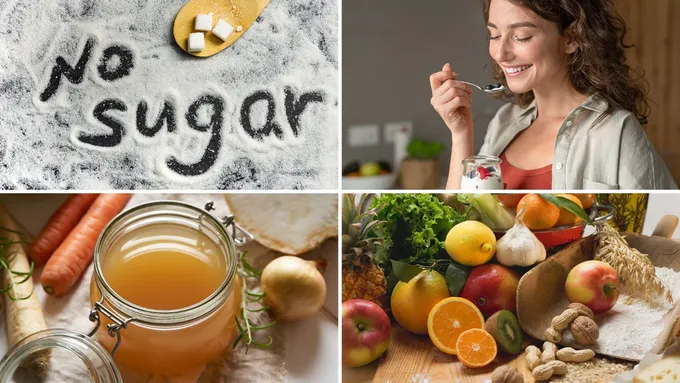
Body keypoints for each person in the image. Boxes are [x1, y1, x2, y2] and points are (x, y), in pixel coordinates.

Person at [430, 0, 677, 190]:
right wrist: (461, 133)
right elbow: (457, 225)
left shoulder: (616, 131)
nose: (500, 53)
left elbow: (666, 232)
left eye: (521, 36)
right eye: (494, 35)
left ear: (572, 38)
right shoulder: (504, 122)